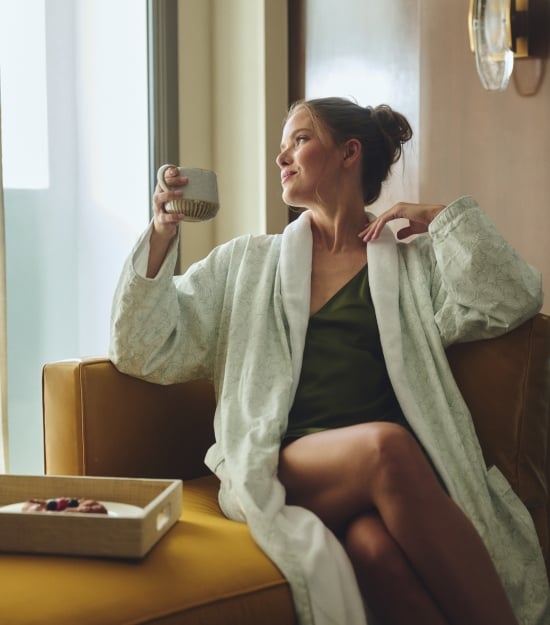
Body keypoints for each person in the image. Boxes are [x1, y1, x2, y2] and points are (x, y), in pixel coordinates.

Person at [109, 97, 549, 625]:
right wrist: (162, 233)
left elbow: (513, 297)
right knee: (386, 447)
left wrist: (439, 219)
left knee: (374, 551)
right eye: (280, 147)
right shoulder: (248, 264)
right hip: (286, 462)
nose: (281, 159)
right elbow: (142, 345)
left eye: (298, 140)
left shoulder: (412, 267)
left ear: (349, 153)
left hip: (385, 479)